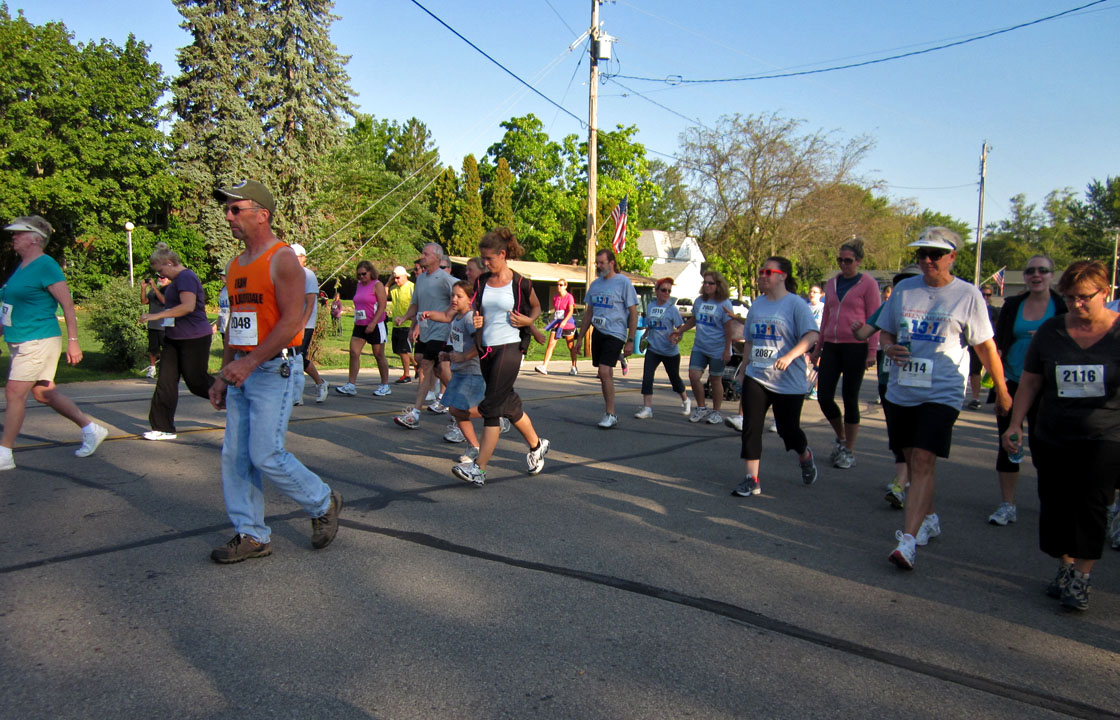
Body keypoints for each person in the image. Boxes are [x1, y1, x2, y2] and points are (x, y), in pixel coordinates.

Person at [208, 180, 340, 563]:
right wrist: (224, 371)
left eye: (236, 209)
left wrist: (249, 362)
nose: (229, 216)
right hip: (242, 372)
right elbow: (237, 323)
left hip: (272, 369)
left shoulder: (282, 259)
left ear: (262, 215)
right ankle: (251, 534)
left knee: (265, 453)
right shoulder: (236, 265)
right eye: (228, 209)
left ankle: (323, 502)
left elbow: (291, 323)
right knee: (236, 456)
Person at [877, 226, 1011, 571]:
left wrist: (1004, 393)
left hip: (942, 390)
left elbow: (985, 346)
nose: (926, 260)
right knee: (913, 456)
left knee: (922, 459)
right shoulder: (905, 289)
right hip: (902, 389)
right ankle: (929, 516)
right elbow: (885, 330)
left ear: (952, 256)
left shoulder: (967, 295)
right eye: (921, 253)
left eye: (934, 254)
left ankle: (906, 542)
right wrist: (888, 346)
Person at [1001, 260, 1119, 610]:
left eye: (1084, 298)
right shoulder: (1052, 331)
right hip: (1053, 432)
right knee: (1056, 502)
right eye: (1069, 298)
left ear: (1106, 292)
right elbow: (1032, 381)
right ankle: (1065, 566)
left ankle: (1082, 576)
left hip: (1107, 434)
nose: (1076, 305)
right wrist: (1014, 423)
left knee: (1092, 502)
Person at [0, 216, 108, 470]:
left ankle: (4, 453)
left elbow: (67, 305)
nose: (13, 237)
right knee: (43, 392)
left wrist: (74, 341)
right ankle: (91, 428)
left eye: (18, 233)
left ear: (35, 239)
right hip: (20, 338)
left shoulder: (46, 265)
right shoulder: (23, 266)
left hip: (38, 339)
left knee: (14, 392)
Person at [452, 228, 551, 485]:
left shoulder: (520, 283)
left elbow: (538, 306)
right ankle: (537, 445)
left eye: (489, 258)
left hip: (510, 347)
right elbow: (477, 307)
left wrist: (529, 320)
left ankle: (479, 469)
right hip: (487, 347)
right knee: (508, 403)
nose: (485, 263)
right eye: (483, 258)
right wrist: (476, 319)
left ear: (503, 254)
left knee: (492, 408)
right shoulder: (483, 282)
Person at [730, 257, 820, 498]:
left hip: (787, 380)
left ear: (783, 276)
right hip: (757, 375)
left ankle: (804, 455)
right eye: (761, 271)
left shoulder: (795, 305)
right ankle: (752, 478)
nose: (762, 275)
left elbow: (812, 336)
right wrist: (743, 370)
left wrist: (790, 356)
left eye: (767, 271)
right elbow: (750, 341)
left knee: (788, 430)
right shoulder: (758, 305)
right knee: (751, 425)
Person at [987, 255, 1064, 526]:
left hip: (1049, 387)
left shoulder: (1062, 306)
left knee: (1047, 448)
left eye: (1043, 270)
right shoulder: (1012, 306)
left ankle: (1050, 503)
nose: (1036, 275)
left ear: (1051, 275)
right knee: (1009, 442)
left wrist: (1049, 337)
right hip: (1013, 382)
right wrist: (998, 385)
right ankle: (1007, 504)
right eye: (1030, 271)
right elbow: (996, 342)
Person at [851, 265, 919, 509]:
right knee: (898, 434)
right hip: (890, 379)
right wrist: (858, 330)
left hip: (921, 384)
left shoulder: (932, 309)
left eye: (910, 281)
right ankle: (903, 478)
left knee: (916, 438)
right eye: (900, 282)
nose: (905, 287)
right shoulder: (890, 306)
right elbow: (866, 332)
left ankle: (903, 482)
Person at [811, 238, 880, 470]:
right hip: (831, 344)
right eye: (840, 260)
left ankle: (849, 449)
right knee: (824, 397)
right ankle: (841, 437)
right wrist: (818, 348)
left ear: (858, 261)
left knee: (851, 398)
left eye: (848, 260)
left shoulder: (868, 284)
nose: (843, 264)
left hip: (855, 346)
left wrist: (872, 350)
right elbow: (826, 318)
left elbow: (875, 318)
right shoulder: (831, 284)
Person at [139, 243, 215, 441]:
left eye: (162, 272)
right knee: (165, 382)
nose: (161, 276)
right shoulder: (172, 284)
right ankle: (162, 427)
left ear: (171, 263)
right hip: (173, 338)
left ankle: (236, 401)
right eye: (157, 273)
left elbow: (188, 307)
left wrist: (155, 316)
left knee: (196, 382)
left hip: (194, 338)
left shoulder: (187, 277)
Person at [393, 243, 457, 428]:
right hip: (425, 331)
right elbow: (416, 304)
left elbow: (461, 298)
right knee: (430, 368)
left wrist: (448, 316)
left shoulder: (445, 279)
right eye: (422, 253)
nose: (422, 256)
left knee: (427, 367)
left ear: (437, 257)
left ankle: (417, 413)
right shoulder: (420, 280)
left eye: (426, 254)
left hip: (441, 332)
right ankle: (454, 400)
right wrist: (406, 318)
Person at [574, 249, 638, 429]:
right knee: (604, 374)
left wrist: (630, 339)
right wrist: (579, 339)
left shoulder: (623, 283)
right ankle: (609, 411)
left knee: (604, 371)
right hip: (598, 332)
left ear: (611, 263)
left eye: (601, 262)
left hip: (615, 333)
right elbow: (589, 313)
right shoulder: (595, 285)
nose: (598, 266)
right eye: (597, 263)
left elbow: (633, 312)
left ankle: (610, 414)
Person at [671, 271, 735, 426]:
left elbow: (729, 329)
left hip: (718, 348)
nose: (707, 285)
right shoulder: (699, 301)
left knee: (715, 379)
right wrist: (680, 330)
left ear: (718, 285)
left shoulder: (724, 303)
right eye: (705, 282)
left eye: (710, 283)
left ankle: (716, 412)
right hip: (700, 346)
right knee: (693, 376)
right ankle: (701, 407)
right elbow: (694, 320)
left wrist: (727, 350)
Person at [635, 277, 690, 419]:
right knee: (647, 377)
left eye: (669, 291)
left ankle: (685, 400)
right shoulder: (651, 306)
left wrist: (677, 338)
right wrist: (644, 337)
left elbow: (680, 329)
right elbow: (650, 325)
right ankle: (647, 408)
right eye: (664, 290)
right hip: (653, 349)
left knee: (674, 378)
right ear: (657, 291)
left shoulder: (672, 309)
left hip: (669, 351)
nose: (666, 293)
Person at [336, 260, 391, 397]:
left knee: (378, 354)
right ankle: (351, 384)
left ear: (371, 272)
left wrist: (373, 323)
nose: (361, 277)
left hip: (376, 323)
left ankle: (385, 385)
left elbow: (382, 306)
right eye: (359, 274)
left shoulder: (377, 285)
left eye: (364, 274)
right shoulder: (359, 285)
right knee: (354, 352)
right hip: (360, 323)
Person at [290, 244, 329, 404]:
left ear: (303, 258)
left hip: (305, 324)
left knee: (297, 357)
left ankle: (297, 396)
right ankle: (320, 383)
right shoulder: (287, 275)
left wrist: (302, 324)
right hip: (290, 323)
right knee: (293, 358)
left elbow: (311, 302)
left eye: (295, 256)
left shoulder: (308, 275)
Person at [966, 285, 1001, 409]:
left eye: (988, 295)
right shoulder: (972, 308)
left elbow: (998, 328)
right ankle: (975, 398)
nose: (985, 297)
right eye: (983, 294)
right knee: (975, 371)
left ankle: (1000, 396)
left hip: (991, 345)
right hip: (975, 344)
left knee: (994, 371)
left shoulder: (994, 310)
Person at [536, 279, 579, 376]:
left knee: (570, 346)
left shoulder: (569, 297)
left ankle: (574, 366)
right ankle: (544, 366)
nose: (559, 286)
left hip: (567, 324)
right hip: (557, 323)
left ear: (565, 286)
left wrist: (564, 321)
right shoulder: (555, 297)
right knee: (550, 344)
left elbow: (571, 311)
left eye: (561, 285)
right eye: (557, 285)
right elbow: (556, 311)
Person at [388, 265, 417, 384]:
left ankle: (406, 374)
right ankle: (416, 364)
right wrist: (388, 283)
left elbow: (416, 304)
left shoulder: (412, 287)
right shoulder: (394, 288)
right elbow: (384, 295)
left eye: (398, 278)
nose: (396, 280)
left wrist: (411, 318)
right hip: (397, 323)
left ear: (405, 276)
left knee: (404, 350)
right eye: (394, 278)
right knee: (400, 350)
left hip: (408, 323)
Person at [140, 275, 168, 378]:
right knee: (152, 349)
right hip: (153, 324)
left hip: (165, 325)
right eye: (159, 277)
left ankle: (166, 369)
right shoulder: (153, 290)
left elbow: (164, 301)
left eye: (163, 277)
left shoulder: (169, 289)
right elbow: (143, 301)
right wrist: (143, 288)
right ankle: (152, 369)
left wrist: (154, 287)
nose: (160, 279)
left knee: (166, 349)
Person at [805, 284, 824, 400]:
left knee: (817, 364)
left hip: (819, 339)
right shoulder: (805, 307)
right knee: (802, 362)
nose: (812, 294)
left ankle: (816, 390)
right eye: (810, 291)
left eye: (815, 292)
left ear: (821, 295)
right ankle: (808, 382)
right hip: (806, 339)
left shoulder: (823, 307)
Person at [214, 270, 230, 347]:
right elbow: (222, 310)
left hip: (232, 329)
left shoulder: (235, 290)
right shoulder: (223, 290)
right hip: (224, 327)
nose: (222, 277)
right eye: (222, 275)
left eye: (224, 275)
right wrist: (217, 324)